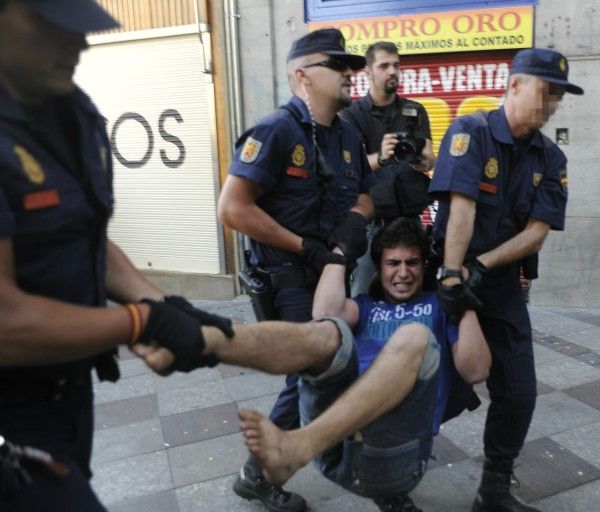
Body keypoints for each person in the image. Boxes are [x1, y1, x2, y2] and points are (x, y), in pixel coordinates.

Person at [0, 1, 234, 510]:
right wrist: (137, 323)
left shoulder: (71, 111)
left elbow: (84, 238)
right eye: (54, 26)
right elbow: (5, 322)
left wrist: (165, 304)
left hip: (67, 394)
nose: (79, 43)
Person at [138, 218, 490, 512]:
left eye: (411, 263)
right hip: (335, 446)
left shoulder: (439, 308)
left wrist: (465, 302)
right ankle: (204, 340)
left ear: (422, 267)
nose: (403, 273)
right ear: (379, 267)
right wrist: (338, 255)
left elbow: (476, 371)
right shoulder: (365, 305)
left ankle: (298, 446)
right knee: (329, 331)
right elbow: (324, 314)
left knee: (414, 337)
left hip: (396, 448)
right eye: (392, 263)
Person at [218, 28, 375, 512]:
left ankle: (318, 443)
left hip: (331, 274)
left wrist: (352, 228)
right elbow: (233, 208)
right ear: (303, 75)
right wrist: (303, 248)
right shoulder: (276, 131)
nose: (352, 75)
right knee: (307, 372)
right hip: (289, 278)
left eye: (352, 66)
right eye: (339, 66)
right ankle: (258, 472)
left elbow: (366, 194)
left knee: (331, 364)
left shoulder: (347, 132)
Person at [429, 47, 584, 512]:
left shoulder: (551, 158)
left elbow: (536, 233)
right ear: (514, 85)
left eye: (558, 95)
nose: (552, 103)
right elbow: (462, 207)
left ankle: (493, 491)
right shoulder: (471, 131)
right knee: (430, 386)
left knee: (518, 390)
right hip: (449, 279)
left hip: (496, 284)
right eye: (545, 91)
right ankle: (387, 466)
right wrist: (455, 276)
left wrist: (484, 266)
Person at [340, 41, 436, 295]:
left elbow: (429, 160)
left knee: (415, 293)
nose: (392, 71)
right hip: (371, 223)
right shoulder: (351, 115)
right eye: (384, 66)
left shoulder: (414, 110)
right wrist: (381, 157)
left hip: (410, 220)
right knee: (362, 292)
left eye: (396, 65)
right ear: (369, 72)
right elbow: (350, 168)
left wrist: (417, 158)